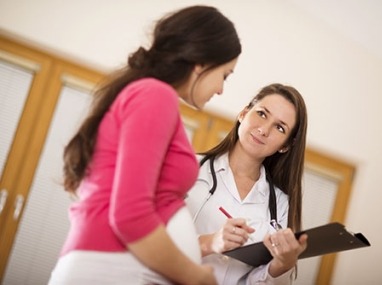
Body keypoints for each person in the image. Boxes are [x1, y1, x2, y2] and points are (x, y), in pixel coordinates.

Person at [48, 5, 241, 285]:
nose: (222, 89)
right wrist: (195, 277)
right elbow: (130, 215)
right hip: (112, 267)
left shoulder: (147, 94)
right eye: (225, 75)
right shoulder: (155, 95)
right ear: (202, 63)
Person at [185, 83, 309, 284]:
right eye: (262, 114)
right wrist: (210, 243)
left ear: (285, 145)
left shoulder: (280, 203)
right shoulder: (190, 167)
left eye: (279, 127)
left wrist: (280, 266)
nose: (264, 129)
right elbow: (151, 241)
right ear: (243, 113)